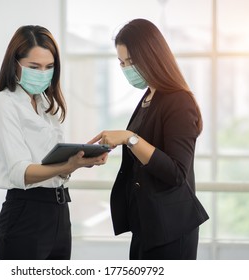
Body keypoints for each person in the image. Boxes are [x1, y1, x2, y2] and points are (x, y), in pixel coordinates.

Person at [0, 25, 108, 260]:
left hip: (59, 211)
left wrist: (79, 160)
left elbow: (52, 163)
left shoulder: (44, 104)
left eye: (49, 67)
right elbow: (21, 172)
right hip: (26, 214)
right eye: (34, 67)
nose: (43, 73)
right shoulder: (4, 104)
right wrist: (66, 166)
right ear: (14, 64)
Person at [89, 19, 209, 260]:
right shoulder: (149, 97)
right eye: (122, 63)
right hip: (147, 224)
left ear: (152, 56)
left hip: (171, 229)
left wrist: (129, 138)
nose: (126, 69)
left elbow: (176, 173)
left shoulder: (178, 100)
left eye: (131, 62)